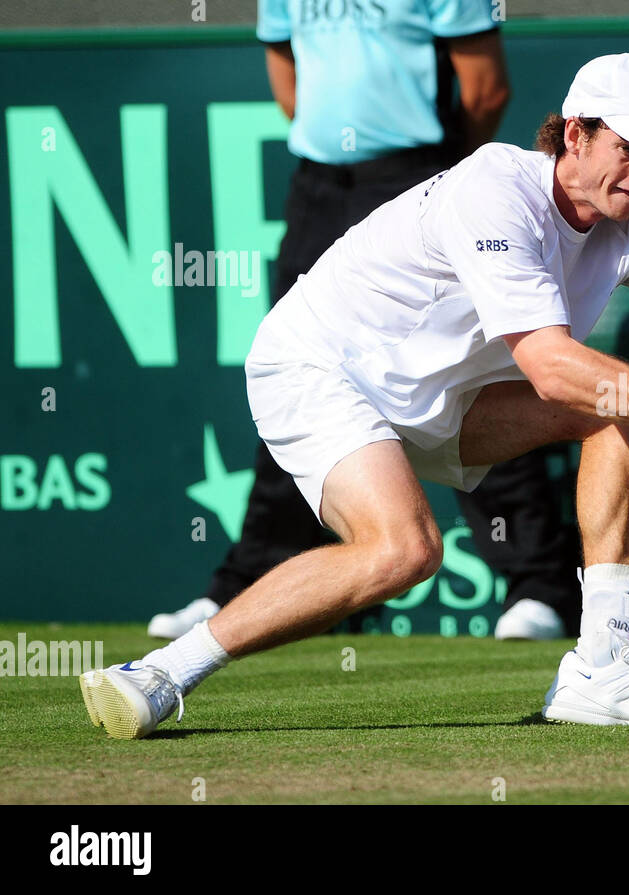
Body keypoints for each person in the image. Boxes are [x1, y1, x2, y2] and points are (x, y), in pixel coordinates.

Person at [79, 53, 629, 738]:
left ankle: (606, 663)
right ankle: (158, 674)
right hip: (321, 365)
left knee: (626, 406)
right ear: (574, 134)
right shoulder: (495, 189)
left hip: (447, 394)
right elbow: (547, 366)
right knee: (403, 550)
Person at [146, 0, 579, 645]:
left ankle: (538, 584)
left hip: (419, 176)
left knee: (476, 369)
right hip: (322, 185)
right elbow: (288, 84)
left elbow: (486, 88)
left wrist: (436, 172)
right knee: (309, 374)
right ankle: (246, 585)